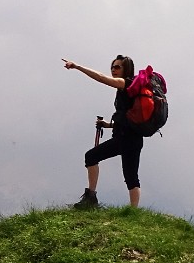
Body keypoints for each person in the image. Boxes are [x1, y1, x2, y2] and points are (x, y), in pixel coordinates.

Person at [62, 55, 144, 209]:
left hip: (127, 140)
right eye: (112, 66)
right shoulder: (130, 88)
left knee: (94, 158)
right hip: (129, 138)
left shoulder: (125, 83)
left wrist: (77, 66)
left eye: (118, 67)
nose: (113, 69)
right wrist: (107, 125)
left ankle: (92, 198)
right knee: (130, 176)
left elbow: (100, 78)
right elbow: (128, 117)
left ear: (126, 69)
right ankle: (132, 211)